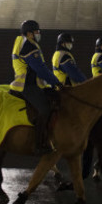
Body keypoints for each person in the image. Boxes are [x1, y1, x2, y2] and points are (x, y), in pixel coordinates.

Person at [10, 20, 62, 154]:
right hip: (26, 85)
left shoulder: (25, 42)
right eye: (36, 31)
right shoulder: (28, 45)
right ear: (29, 33)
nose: (39, 34)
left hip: (33, 83)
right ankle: (38, 144)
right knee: (44, 108)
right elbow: (40, 69)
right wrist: (56, 82)